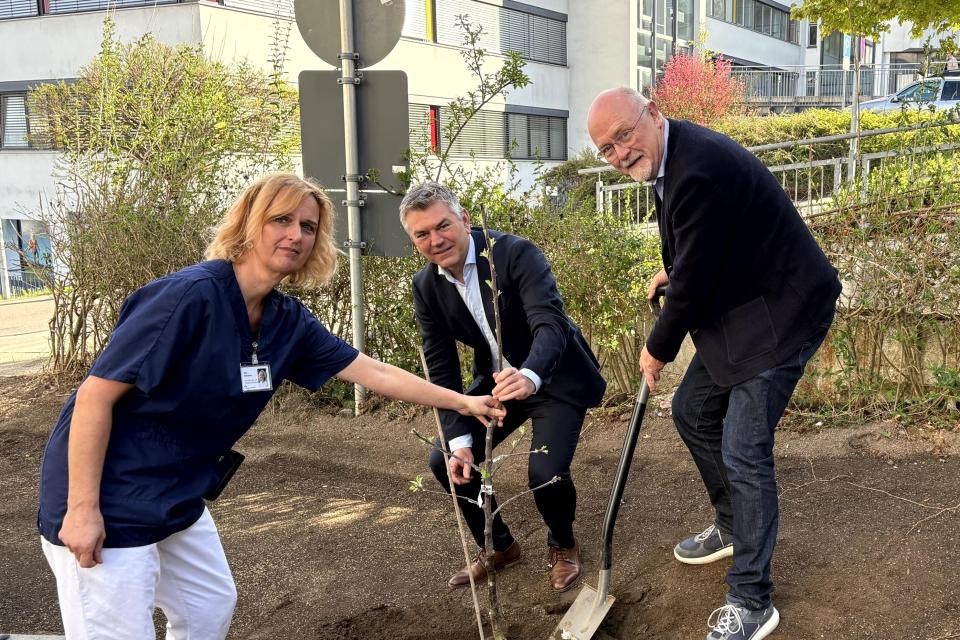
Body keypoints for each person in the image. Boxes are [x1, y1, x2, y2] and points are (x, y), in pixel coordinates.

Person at [37, 173, 504, 640]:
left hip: (177, 491)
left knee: (208, 606)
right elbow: (95, 396)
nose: (295, 235)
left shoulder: (286, 321)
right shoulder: (187, 297)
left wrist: (463, 400)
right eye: (281, 220)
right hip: (109, 492)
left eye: (308, 226)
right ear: (249, 222)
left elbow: (375, 373)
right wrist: (82, 509)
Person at [587, 88, 841, 640]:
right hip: (746, 304)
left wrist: (658, 347)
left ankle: (752, 601)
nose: (619, 153)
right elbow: (705, 247)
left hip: (784, 310)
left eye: (624, 136)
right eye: (606, 148)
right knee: (693, 411)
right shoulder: (672, 158)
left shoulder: (697, 167)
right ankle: (732, 524)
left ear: (652, 114)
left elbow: (698, 281)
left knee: (743, 450)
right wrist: (674, 272)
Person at [401, 181, 606, 593]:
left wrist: (530, 375)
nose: (436, 240)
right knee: (445, 461)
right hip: (494, 384)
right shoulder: (426, 287)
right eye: (422, 234)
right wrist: (458, 438)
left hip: (552, 376)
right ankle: (498, 546)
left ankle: (563, 544)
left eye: (443, 226)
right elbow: (440, 367)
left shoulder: (514, 254)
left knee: (545, 472)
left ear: (465, 219)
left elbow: (550, 323)